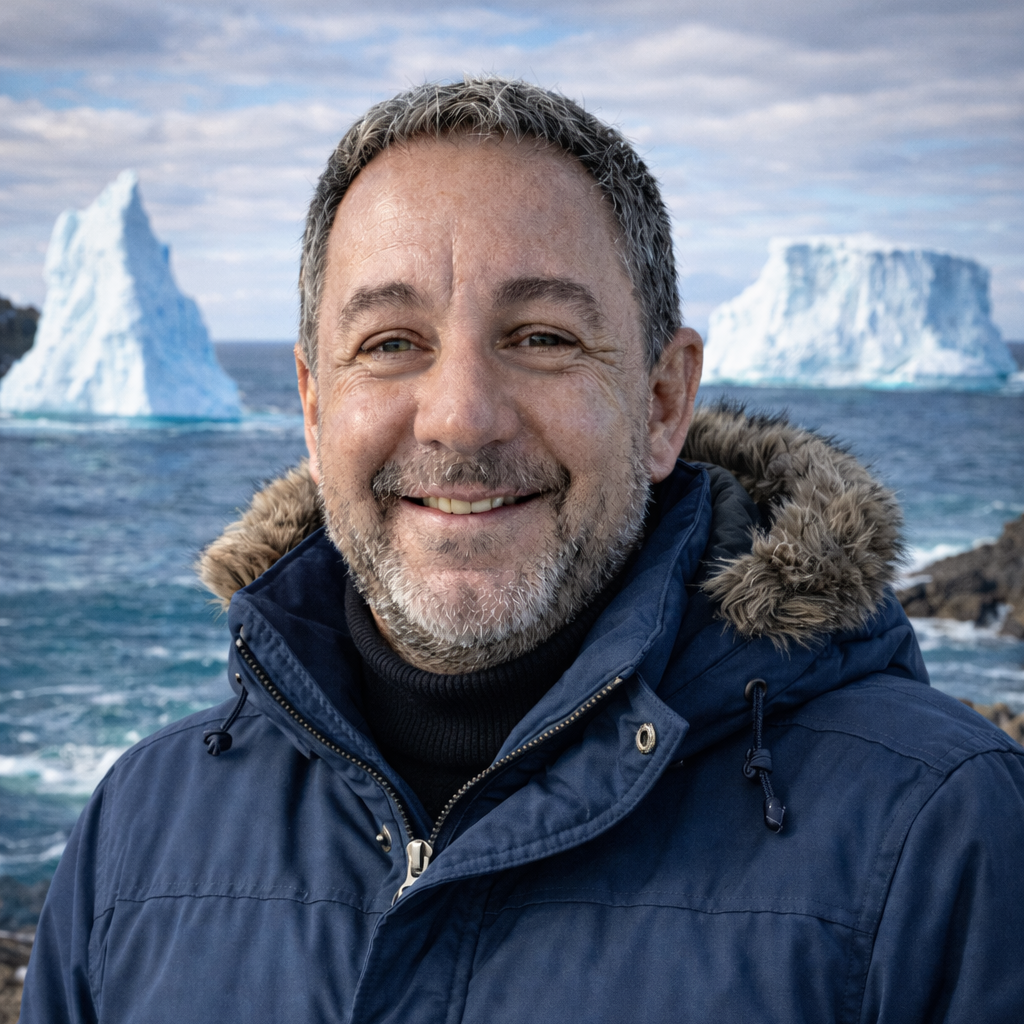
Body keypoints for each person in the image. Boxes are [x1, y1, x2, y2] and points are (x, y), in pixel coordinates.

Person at [21, 78, 1024, 1023]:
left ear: (664, 399)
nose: (460, 418)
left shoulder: (937, 830)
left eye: (541, 337)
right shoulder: (138, 831)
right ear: (314, 405)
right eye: (389, 342)